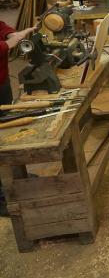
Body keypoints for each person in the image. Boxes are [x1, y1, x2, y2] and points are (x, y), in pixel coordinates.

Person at [0, 22, 38, 217]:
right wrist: (8, 44)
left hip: (1, 79)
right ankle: (1, 197)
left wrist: (11, 34)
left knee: (6, 132)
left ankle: (17, 179)